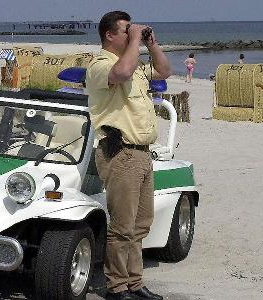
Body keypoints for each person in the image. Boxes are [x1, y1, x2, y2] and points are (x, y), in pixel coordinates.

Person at [86, 11, 171, 300]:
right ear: (110, 35)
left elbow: (165, 71)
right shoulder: (100, 65)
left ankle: (135, 283)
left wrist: (151, 44)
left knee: (140, 225)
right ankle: (117, 287)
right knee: (122, 227)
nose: (131, 35)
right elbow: (120, 73)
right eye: (125, 31)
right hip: (120, 153)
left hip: (142, 154)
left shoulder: (134, 65)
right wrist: (136, 40)